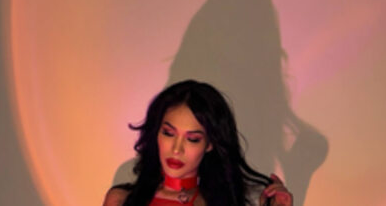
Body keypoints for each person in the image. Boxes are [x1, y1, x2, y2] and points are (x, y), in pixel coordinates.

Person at [103, 80, 293, 206]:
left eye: (192, 139)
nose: (177, 149)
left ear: (210, 144)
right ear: (156, 133)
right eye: (169, 133)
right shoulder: (120, 200)